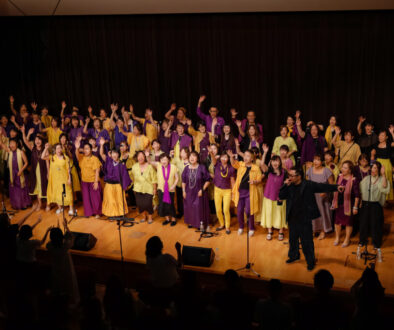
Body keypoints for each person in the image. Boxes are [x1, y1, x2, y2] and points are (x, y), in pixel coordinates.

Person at [279, 167, 342, 271]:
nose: (289, 177)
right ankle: (294, 256)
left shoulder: (308, 185)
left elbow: (322, 186)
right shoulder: (289, 185)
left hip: (305, 218)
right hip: (292, 217)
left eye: (291, 176)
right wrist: (285, 185)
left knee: (306, 241)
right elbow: (281, 195)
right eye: (288, 175)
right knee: (292, 239)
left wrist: (336, 187)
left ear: (299, 176)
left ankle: (310, 261)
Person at [358, 162, 390, 262]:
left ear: (379, 169)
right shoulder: (366, 178)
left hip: (376, 205)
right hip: (365, 204)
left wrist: (384, 174)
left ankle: (376, 243)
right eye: (372, 167)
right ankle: (362, 242)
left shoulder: (381, 179)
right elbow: (360, 190)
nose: (373, 169)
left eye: (376, 168)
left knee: (375, 225)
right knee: (363, 224)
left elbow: (384, 188)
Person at [229, 149, 263, 237]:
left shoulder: (256, 168)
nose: (245, 157)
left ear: (252, 158)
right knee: (239, 211)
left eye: (248, 156)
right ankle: (241, 227)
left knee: (249, 211)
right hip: (240, 192)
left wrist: (255, 182)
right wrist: (231, 157)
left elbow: (259, 179)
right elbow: (233, 164)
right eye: (245, 155)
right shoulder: (241, 164)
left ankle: (251, 228)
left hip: (250, 193)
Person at [46, 225, 79, 305]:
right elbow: (71, 237)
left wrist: (55, 233)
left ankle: (57, 302)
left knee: (57, 284)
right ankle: (69, 302)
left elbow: (52, 241)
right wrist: (66, 227)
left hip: (56, 268)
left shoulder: (49, 246)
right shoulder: (65, 246)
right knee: (68, 284)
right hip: (66, 268)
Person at [99, 138, 132, 218]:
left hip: (118, 185)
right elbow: (102, 154)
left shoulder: (122, 164)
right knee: (111, 200)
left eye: (116, 153)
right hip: (109, 185)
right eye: (113, 153)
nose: (114, 155)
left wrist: (125, 186)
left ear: (118, 155)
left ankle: (120, 213)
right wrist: (102, 145)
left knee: (119, 200)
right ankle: (111, 214)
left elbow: (125, 175)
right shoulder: (109, 161)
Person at [259, 150, 287, 241]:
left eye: (277, 161)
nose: (275, 163)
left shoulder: (284, 172)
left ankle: (280, 231)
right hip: (268, 197)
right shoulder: (269, 171)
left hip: (279, 197)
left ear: (280, 162)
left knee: (280, 214)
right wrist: (265, 153)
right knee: (269, 213)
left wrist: (287, 183)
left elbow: (288, 183)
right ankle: (270, 231)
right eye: (273, 161)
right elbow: (262, 163)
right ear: (271, 162)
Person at [332, 161, 360, 247]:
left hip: (348, 205)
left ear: (350, 170)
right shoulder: (339, 177)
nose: (342, 169)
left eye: (345, 168)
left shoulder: (353, 180)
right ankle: (337, 237)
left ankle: (347, 239)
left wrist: (355, 207)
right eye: (342, 167)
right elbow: (336, 188)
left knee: (348, 223)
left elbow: (357, 195)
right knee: (337, 222)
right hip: (338, 203)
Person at [306, 154, 334, 239]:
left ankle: (323, 231)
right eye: (314, 159)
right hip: (313, 195)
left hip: (323, 196)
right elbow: (307, 183)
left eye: (318, 160)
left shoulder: (327, 171)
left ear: (322, 162)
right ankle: (315, 230)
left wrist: (325, 192)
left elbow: (332, 185)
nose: (315, 161)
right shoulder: (310, 170)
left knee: (322, 213)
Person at [182, 151, 211, 230]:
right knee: (189, 207)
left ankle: (199, 224)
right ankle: (191, 222)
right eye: (190, 156)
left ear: (197, 158)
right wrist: (183, 191)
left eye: (194, 156)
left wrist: (202, 189)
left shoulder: (202, 167)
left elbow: (208, 180)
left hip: (199, 192)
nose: (192, 158)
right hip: (188, 192)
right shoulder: (186, 168)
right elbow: (183, 181)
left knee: (198, 207)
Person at [75, 136, 103, 218]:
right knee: (86, 198)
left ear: (91, 150)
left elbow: (97, 171)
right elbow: (77, 156)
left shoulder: (94, 159)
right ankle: (89, 213)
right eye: (84, 149)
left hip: (93, 181)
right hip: (84, 181)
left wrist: (96, 182)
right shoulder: (82, 158)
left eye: (87, 148)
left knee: (95, 198)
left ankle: (97, 213)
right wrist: (77, 148)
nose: (85, 150)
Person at [0, 138, 31, 210]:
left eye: (13, 143)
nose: (11, 145)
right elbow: (1, 143)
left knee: (21, 190)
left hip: (20, 174)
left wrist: (21, 171)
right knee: (15, 190)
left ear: (17, 144)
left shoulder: (21, 152)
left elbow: (26, 163)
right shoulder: (9, 151)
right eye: (10, 144)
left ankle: (23, 204)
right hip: (12, 175)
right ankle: (17, 204)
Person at [21, 127, 48, 211]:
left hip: (43, 172)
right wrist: (25, 133)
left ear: (42, 141)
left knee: (45, 187)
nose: (37, 141)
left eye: (39, 139)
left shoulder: (45, 150)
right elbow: (25, 141)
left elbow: (47, 162)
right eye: (36, 139)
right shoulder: (33, 148)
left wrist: (48, 173)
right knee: (37, 187)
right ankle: (39, 204)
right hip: (35, 172)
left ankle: (48, 204)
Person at [44, 143, 74, 215]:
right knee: (57, 193)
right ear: (55, 150)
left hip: (64, 179)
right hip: (55, 180)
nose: (58, 150)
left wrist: (69, 178)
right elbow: (42, 157)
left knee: (67, 193)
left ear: (62, 149)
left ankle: (71, 209)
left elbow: (68, 169)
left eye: (60, 148)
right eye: (57, 148)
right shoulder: (52, 157)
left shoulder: (65, 158)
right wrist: (46, 148)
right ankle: (60, 208)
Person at [211, 151, 236, 234]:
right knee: (218, 209)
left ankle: (227, 226)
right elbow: (213, 160)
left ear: (228, 159)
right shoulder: (217, 165)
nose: (223, 159)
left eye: (225, 157)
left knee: (225, 209)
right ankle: (221, 224)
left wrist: (233, 193)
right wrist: (211, 153)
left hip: (227, 191)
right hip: (217, 190)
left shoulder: (231, 168)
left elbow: (232, 181)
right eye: (222, 157)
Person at [131, 151, 157, 223]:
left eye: (142, 156)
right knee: (140, 204)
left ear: (145, 157)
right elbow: (133, 178)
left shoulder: (150, 166)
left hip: (148, 188)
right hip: (138, 188)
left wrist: (154, 189)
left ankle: (150, 218)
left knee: (148, 204)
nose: (140, 158)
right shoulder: (134, 167)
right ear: (137, 158)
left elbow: (154, 178)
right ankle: (144, 217)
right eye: (139, 156)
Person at [154, 153, 178, 226]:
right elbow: (149, 162)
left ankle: (173, 219)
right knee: (162, 205)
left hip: (170, 189)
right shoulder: (158, 166)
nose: (163, 161)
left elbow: (177, 178)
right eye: (161, 159)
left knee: (170, 205)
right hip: (161, 189)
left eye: (165, 159)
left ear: (168, 160)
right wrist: (148, 155)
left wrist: (174, 186)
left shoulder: (173, 167)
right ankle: (167, 219)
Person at [371, 129, 393, 201]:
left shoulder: (389, 144)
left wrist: (392, 133)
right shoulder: (376, 145)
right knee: (377, 180)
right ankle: (378, 197)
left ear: (386, 137)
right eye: (379, 135)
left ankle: (386, 199)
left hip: (386, 164)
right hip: (377, 163)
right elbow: (373, 156)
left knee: (386, 180)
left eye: (382, 135)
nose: (380, 137)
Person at [172, 147, 190, 218]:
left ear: (187, 153)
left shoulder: (191, 161)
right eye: (181, 152)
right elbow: (171, 164)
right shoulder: (177, 160)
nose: (182, 154)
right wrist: (172, 156)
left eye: (184, 152)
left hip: (188, 185)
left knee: (188, 199)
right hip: (179, 183)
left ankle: (188, 213)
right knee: (179, 199)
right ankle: (180, 212)